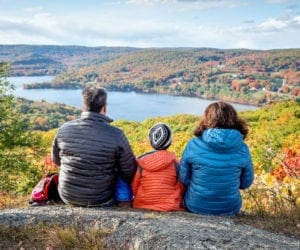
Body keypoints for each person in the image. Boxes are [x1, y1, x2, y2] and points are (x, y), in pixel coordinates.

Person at [51, 86, 137, 207]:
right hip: (100, 200)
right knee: (121, 171)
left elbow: (56, 161)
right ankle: (124, 204)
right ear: (104, 107)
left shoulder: (63, 129)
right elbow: (129, 172)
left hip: (67, 196)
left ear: (84, 106)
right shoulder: (116, 134)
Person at [179, 101, 254, 215]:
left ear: (207, 118)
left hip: (196, 205)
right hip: (229, 208)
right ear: (234, 119)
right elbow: (245, 183)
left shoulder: (193, 144)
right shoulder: (242, 148)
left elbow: (183, 178)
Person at [131, 122, 184, 211]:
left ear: (151, 141)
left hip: (142, 204)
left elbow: (135, 186)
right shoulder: (175, 162)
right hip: (169, 206)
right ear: (170, 142)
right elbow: (181, 186)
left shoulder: (141, 161)